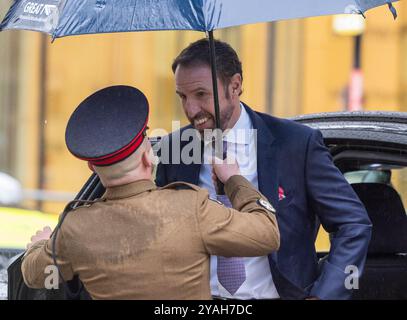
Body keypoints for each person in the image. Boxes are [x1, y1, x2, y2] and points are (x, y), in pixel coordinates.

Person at [155, 38, 372, 300]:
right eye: (183, 97)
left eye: (201, 94)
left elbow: (353, 223)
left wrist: (326, 295)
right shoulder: (175, 149)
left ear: (235, 86)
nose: (191, 110)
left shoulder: (296, 145)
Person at [21, 85, 280, 300]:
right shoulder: (191, 207)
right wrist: (234, 180)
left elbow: (35, 275)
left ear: (92, 166)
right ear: (148, 158)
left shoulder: (75, 229)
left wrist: (39, 245)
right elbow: (267, 233)